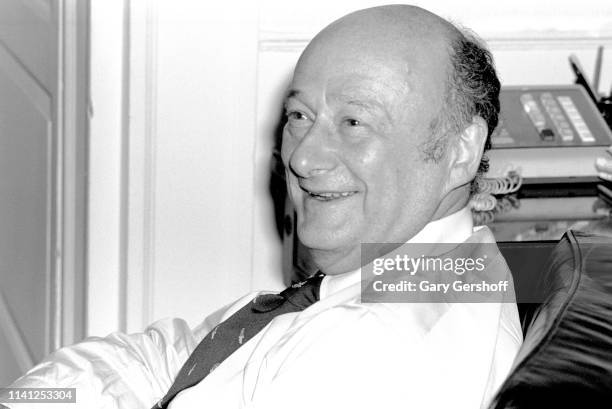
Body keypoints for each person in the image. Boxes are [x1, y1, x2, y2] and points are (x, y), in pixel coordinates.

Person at [4, 5, 522, 409]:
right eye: (300, 114)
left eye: (354, 122)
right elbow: (169, 358)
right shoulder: (408, 268)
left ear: (459, 151)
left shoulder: (367, 362)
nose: (302, 156)